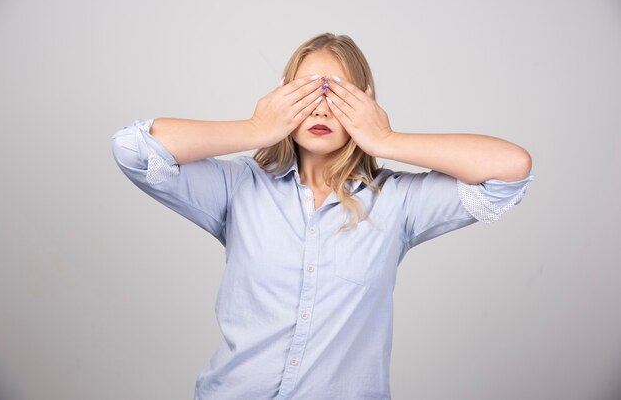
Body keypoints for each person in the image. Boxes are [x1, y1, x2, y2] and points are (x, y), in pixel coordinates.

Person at [111, 32, 534, 400]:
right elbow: (133, 148)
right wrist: (258, 127)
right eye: (307, 93)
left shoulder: (396, 201)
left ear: (365, 102)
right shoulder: (239, 187)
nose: (320, 109)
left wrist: (385, 139)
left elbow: (509, 169)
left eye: (337, 94)